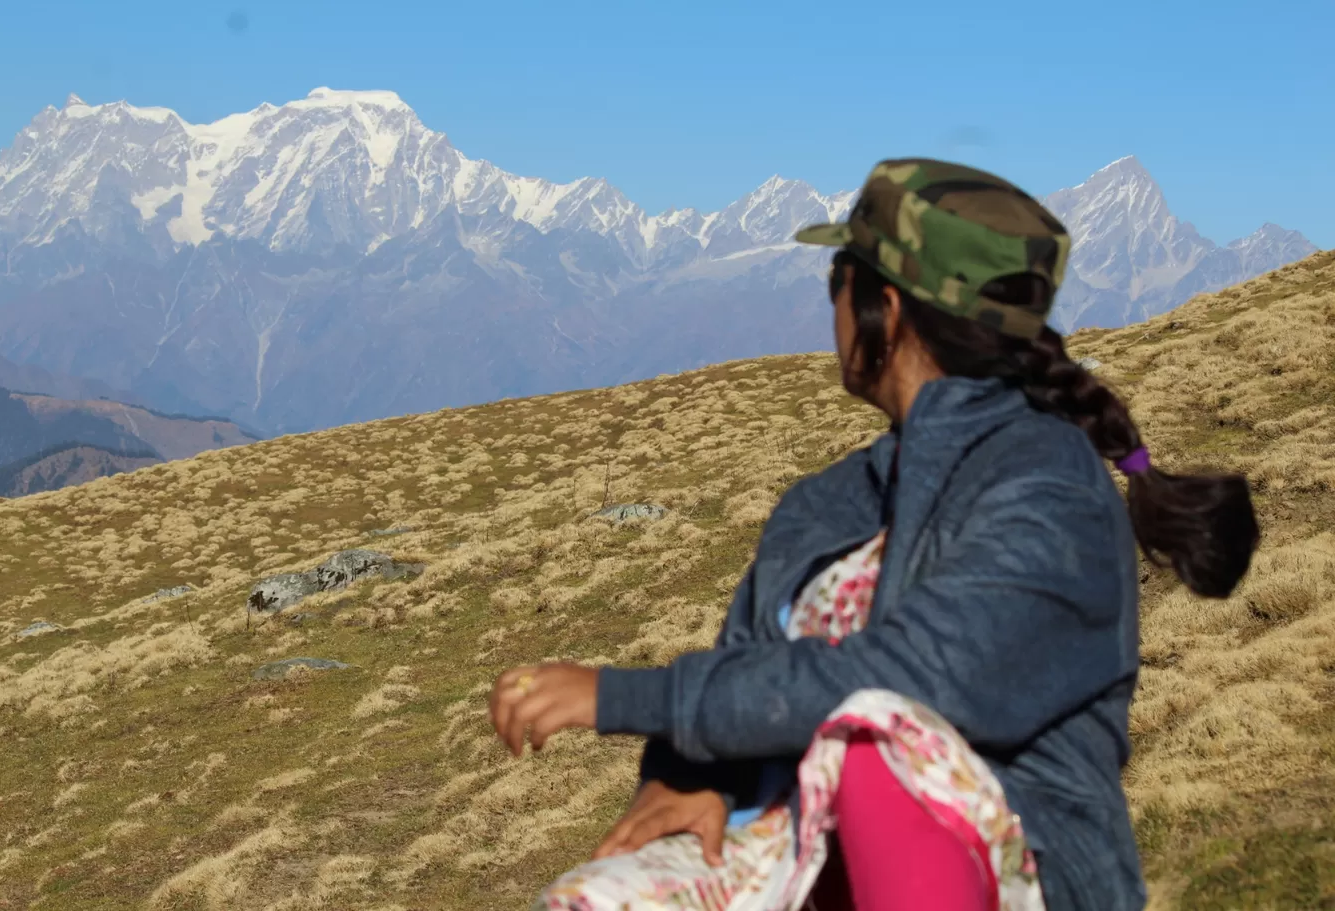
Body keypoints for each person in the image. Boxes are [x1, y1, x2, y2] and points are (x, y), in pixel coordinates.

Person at [487, 158, 1261, 911]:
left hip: (1023, 867)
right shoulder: (827, 502)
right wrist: (685, 772)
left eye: (836, 281)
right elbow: (744, 670)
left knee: (874, 740)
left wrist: (624, 696)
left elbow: (918, 680)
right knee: (596, 896)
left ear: (883, 309)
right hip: (790, 844)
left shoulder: (1053, 488)